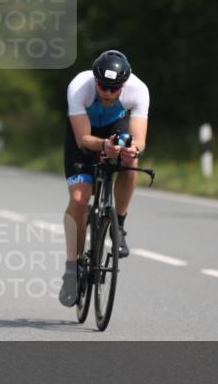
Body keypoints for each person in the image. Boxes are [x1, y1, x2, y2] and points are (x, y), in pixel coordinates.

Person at [59, 50, 150, 307]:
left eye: (114, 88)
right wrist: (103, 147)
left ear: (124, 85)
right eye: (103, 86)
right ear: (95, 80)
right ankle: (71, 267)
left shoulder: (138, 90)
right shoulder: (79, 87)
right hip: (86, 135)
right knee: (79, 199)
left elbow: (140, 139)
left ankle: (118, 225)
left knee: (131, 158)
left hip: (115, 126)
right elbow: (82, 140)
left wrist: (134, 149)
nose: (108, 93)